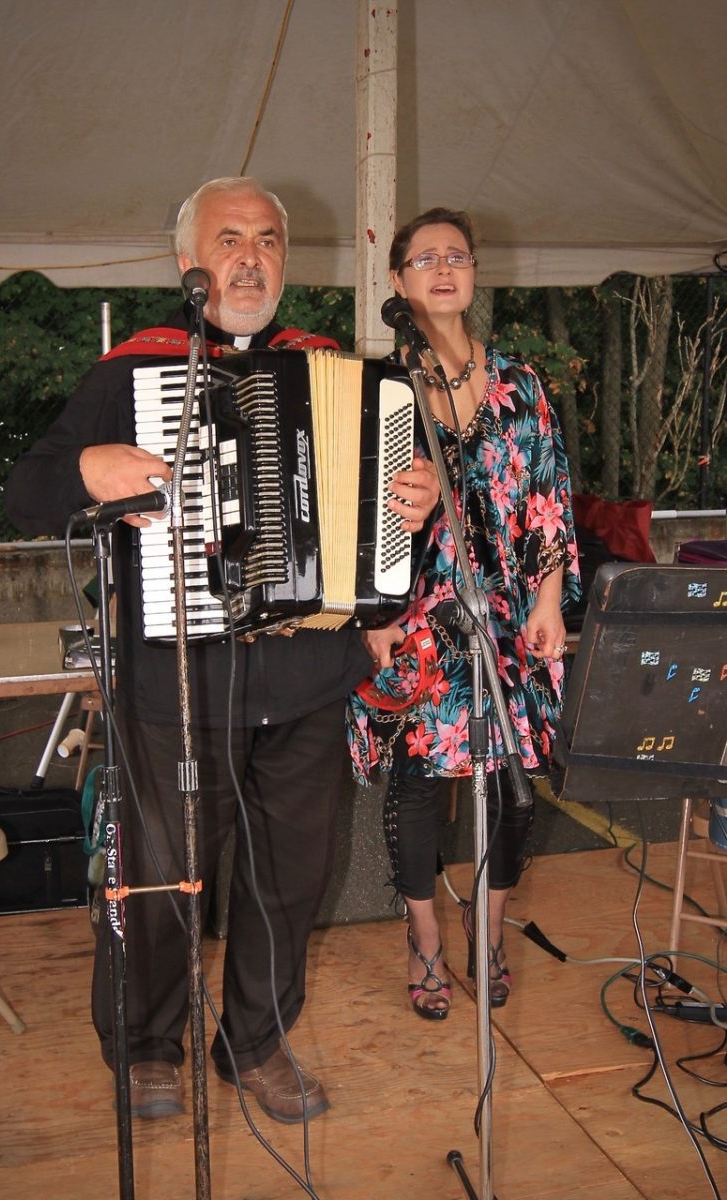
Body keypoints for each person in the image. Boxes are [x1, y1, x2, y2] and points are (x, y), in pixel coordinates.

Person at [4, 177, 439, 1121]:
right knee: (160, 881)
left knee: (291, 880)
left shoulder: (332, 368)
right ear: (188, 263)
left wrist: (420, 499)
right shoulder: (131, 373)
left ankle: (255, 1044)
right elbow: (25, 491)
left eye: (268, 240)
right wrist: (87, 467)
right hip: (178, 683)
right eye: (230, 238)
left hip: (309, 678)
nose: (251, 257)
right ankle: (146, 1047)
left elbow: (393, 512)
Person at [348, 207, 580, 1018]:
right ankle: (424, 939)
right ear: (398, 280)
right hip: (417, 615)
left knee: (514, 785)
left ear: (475, 272)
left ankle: (489, 927)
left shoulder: (522, 383)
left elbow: (548, 497)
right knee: (418, 786)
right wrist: (373, 614)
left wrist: (548, 599)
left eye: (457, 256)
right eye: (426, 258)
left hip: (509, 616)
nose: (444, 268)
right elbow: (353, 510)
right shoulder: (383, 385)